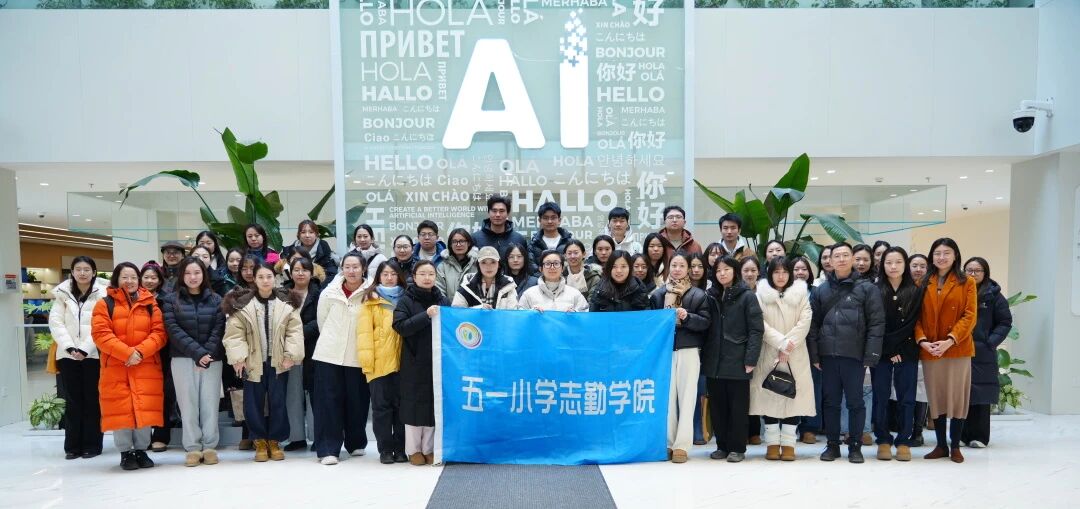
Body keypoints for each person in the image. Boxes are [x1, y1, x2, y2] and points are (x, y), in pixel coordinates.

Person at [807, 242, 885, 464]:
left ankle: (855, 445)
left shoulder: (867, 289)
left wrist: (870, 356)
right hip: (828, 356)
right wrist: (815, 355)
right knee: (830, 402)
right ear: (829, 261)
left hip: (855, 356)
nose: (841, 259)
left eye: (845, 255)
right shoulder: (821, 290)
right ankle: (832, 445)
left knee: (855, 402)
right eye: (836, 256)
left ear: (852, 259)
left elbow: (876, 323)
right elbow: (813, 325)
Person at [222, 261, 305, 463]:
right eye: (261, 277)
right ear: (255, 279)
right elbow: (234, 334)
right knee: (253, 403)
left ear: (274, 278)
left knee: (278, 401)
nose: (265, 280)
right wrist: (238, 358)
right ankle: (259, 440)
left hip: (279, 361)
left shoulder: (287, 302)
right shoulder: (242, 303)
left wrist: (290, 355)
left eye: (269, 276)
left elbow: (295, 331)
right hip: (252, 361)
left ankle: (275, 441)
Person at [91, 262, 167, 471]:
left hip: (145, 364)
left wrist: (139, 353)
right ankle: (125, 453)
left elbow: (159, 334)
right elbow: (101, 335)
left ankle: (141, 450)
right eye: (125, 277)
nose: (130, 281)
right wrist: (127, 353)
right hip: (117, 365)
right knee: (121, 408)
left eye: (134, 277)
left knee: (144, 406)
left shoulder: (150, 303)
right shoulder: (104, 304)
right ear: (116, 279)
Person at [915, 238, 978, 464]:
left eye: (946, 253)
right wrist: (922, 340)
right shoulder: (922, 282)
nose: (941, 257)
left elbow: (970, 316)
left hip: (957, 348)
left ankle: (955, 445)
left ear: (955, 256)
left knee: (958, 398)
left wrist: (950, 340)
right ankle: (941, 445)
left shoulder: (967, 282)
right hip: (931, 349)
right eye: (937, 253)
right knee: (937, 396)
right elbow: (915, 316)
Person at [162, 257, 225, 467]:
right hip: (182, 358)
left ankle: (209, 446)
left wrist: (206, 354)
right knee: (187, 404)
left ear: (203, 275)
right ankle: (192, 447)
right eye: (188, 273)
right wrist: (197, 354)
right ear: (182, 275)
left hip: (212, 358)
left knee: (210, 403)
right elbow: (173, 329)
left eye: (197, 272)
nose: (192, 277)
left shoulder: (216, 299)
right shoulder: (171, 300)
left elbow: (219, 328)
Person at [750, 256, 814, 462]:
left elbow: (805, 321)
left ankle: (788, 444)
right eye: (776, 272)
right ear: (770, 273)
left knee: (792, 397)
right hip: (769, 352)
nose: (780, 276)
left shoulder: (801, 294)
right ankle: (771, 444)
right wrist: (781, 343)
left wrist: (788, 346)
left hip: (795, 353)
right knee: (769, 396)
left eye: (785, 272)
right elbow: (760, 323)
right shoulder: (760, 295)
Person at [649, 253, 710, 463]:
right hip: (665, 351)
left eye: (681, 266)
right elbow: (651, 324)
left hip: (689, 350)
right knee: (666, 399)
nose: (677, 269)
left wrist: (687, 317)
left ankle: (682, 445)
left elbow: (705, 323)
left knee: (687, 397)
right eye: (673, 265)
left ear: (688, 269)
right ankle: (668, 443)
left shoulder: (698, 295)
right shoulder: (658, 295)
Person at [312, 253, 371, 465]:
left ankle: (356, 442)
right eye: (347, 266)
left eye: (356, 267)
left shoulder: (372, 293)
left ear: (363, 269)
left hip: (358, 354)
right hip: (329, 353)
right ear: (342, 269)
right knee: (328, 401)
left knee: (358, 400)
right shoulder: (329, 292)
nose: (351, 271)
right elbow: (322, 321)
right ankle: (328, 449)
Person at [702, 256, 762, 463]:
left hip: (738, 359)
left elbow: (756, 330)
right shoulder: (711, 296)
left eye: (726, 269)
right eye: (718, 270)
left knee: (738, 408)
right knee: (718, 407)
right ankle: (722, 446)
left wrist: (751, 358)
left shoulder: (747, 296)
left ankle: (737, 448)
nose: (722, 273)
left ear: (735, 271)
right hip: (714, 360)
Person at [49, 256, 107, 460]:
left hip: (94, 354)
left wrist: (84, 349)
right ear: (72, 272)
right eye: (78, 269)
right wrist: (70, 347)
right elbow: (56, 323)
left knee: (92, 400)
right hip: (67, 355)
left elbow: (102, 325)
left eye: (87, 269)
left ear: (94, 272)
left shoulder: (103, 294)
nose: (82, 273)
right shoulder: (62, 294)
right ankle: (72, 446)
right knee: (72, 400)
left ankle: (92, 444)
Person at [393, 261, 450, 465]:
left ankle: (429, 448)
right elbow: (400, 326)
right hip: (414, 361)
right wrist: (425, 315)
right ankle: (413, 450)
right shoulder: (406, 300)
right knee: (413, 406)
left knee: (433, 406)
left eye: (431, 274)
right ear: (414, 277)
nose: (427, 278)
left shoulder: (442, 299)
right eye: (423, 274)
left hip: (437, 361)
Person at [870, 247, 923, 462]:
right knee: (880, 396)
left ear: (905, 264)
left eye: (898, 262)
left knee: (907, 398)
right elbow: (874, 323)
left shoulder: (915, 290)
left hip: (907, 351)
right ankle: (883, 439)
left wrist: (898, 350)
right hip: (881, 351)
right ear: (882, 265)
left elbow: (912, 323)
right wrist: (890, 350)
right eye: (888, 262)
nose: (893, 266)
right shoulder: (874, 289)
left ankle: (903, 440)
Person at [359, 260, 410, 464]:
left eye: (393, 274)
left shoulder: (407, 298)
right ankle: (385, 449)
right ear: (378, 277)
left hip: (404, 362)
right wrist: (367, 363)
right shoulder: (370, 300)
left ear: (399, 276)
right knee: (381, 409)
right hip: (379, 363)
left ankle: (401, 448)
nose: (389, 278)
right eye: (385, 274)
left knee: (402, 408)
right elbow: (364, 334)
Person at [962, 256, 1012, 449]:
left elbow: (1005, 322)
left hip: (983, 352)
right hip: (960, 350)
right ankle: (961, 435)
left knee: (981, 394)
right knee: (962, 394)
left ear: (985, 273)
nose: (973, 274)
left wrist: (990, 342)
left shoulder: (994, 295)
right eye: (969, 270)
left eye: (977, 270)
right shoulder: (960, 291)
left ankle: (980, 436)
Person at [282, 256, 321, 452]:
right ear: (290, 273)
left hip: (313, 348)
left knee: (315, 394)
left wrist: (299, 334)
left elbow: (321, 319)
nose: (300, 273)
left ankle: (317, 436)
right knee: (292, 393)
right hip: (289, 351)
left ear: (311, 273)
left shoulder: (319, 294)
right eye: (296, 270)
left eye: (304, 270)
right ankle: (296, 437)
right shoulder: (281, 294)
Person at [139, 262, 174, 453]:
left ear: (160, 280)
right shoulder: (132, 298)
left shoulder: (167, 300)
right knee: (142, 394)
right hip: (139, 353)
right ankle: (143, 437)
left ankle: (161, 435)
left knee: (163, 394)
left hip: (163, 351)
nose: (150, 281)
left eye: (154, 277)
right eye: (146, 277)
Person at [792, 256, 824, 444]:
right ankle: (791, 426)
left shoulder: (817, 292)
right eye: (796, 269)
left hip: (812, 347)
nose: (800, 272)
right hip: (791, 347)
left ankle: (810, 428)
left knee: (813, 388)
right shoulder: (783, 292)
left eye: (804, 269)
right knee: (791, 387)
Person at [907, 252, 931, 446]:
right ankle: (904, 429)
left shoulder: (931, 288)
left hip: (925, 344)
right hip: (905, 344)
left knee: (921, 390)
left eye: (922, 266)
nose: (918, 269)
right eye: (914, 265)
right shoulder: (903, 287)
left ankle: (917, 431)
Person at [519, 250, 589, 312]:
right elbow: (520, 317)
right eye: (547, 264)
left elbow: (585, 316)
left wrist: (575, 314)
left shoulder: (575, 294)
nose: (552, 267)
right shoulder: (528, 294)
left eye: (556, 263)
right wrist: (530, 314)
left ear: (562, 268)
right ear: (541, 269)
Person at [453, 246, 519, 309]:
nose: (488, 266)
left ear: (498, 264)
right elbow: (457, 311)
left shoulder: (509, 285)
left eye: (493, 262)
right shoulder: (467, 284)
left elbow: (513, 313)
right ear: (478, 265)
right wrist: (479, 309)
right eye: (484, 262)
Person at [436, 228, 479, 298]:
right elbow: (440, 292)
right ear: (450, 244)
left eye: (462, 241)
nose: (458, 244)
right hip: (449, 305)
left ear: (468, 243)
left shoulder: (477, 264)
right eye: (454, 241)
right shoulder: (442, 267)